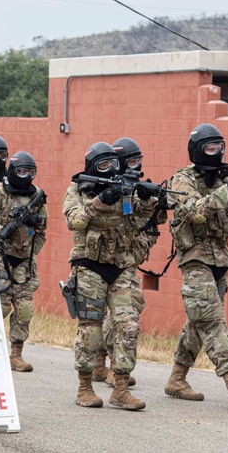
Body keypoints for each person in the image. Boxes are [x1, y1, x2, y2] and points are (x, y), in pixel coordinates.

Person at [166, 123, 228, 409]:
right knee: (212, 320)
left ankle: (177, 379)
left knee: (199, 320)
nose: (216, 153)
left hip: (220, 259)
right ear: (196, 150)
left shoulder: (221, 179)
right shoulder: (182, 180)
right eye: (210, 148)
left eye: (220, 147)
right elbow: (195, 212)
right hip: (194, 259)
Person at [63, 143, 156, 410]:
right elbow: (75, 222)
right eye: (103, 166)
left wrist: (147, 197)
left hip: (121, 267)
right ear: (91, 166)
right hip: (90, 266)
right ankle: (85, 388)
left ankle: (121, 388)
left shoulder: (124, 188)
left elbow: (143, 216)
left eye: (113, 164)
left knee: (129, 326)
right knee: (90, 330)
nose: (110, 170)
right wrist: (101, 200)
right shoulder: (77, 189)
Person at [92, 137, 157, 388]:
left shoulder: (134, 187)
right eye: (131, 161)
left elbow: (149, 216)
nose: (136, 166)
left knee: (129, 309)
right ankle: (106, 364)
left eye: (138, 161)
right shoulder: (104, 189)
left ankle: (104, 363)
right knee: (114, 315)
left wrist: (150, 197)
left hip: (129, 258)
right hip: (107, 260)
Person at [0, 151, 48, 373]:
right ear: (12, 171)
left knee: (24, 306)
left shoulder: (36, 195)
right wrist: (3, 230)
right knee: (2, 305)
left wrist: (33, 226)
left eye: (31, 172)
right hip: (0, 253)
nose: (26, 176)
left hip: (24, 258)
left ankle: (16, 354)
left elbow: (42, 230)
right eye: (22, 171)